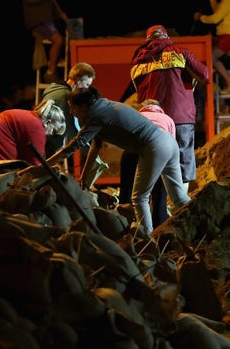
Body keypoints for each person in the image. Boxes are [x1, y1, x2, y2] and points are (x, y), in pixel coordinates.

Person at [46, 86, 190, 237]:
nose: (71, 113)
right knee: (179, 197)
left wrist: (47, 163)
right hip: (168, 141)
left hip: (154, 146)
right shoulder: (103, 107)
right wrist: (84, 175)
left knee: (139, 198)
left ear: (83, 106)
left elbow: (76, 143)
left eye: (72, 108)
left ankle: (146, 240)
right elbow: (95, 146)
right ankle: (201, 222)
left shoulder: (96, 115)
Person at [130, 25, 210, 194]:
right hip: (180, 117)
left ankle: (158, 210)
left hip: (150, 120)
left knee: (153, 162)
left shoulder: (138, 61)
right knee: (183, 163)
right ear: (166, 36)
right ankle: (179, 207)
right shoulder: (180, 53)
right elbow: (205, 76)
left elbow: (139, 91)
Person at [119, 99, 175, 227]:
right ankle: (158, 226)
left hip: (133, 151)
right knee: (159, 193)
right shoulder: (168, 119)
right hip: (159, 149)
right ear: (159, 109)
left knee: (128, 190)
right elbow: (172, 145)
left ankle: (125, 222)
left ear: (142, 109)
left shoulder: (136, 116)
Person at [0, 98, 65, 166]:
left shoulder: (27, 116)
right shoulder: (37, 128)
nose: (51, 134)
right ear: (48, 121)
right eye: (54, 130)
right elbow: (34, 166)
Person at [22, 0, 68, 84]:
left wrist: (60, 15)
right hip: (40, 22)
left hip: (47, 22)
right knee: (58, 40)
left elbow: (51, 9)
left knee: (63, 39)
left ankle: (54, 66)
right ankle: (50, 71)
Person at [41, 62, 96, 157]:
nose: (86, 89)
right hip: (47, 145)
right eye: (87, 85)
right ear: (78, 80)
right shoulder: (66, 97)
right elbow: (73, 131)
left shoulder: (51, 89)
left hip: (41, 140)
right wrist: (92, 155)